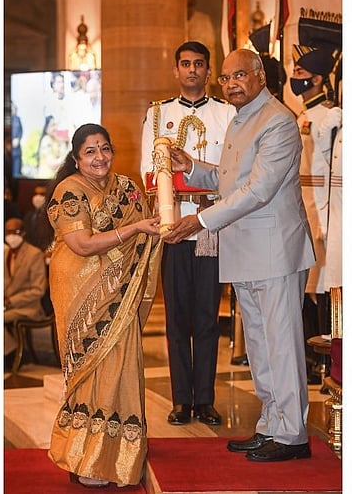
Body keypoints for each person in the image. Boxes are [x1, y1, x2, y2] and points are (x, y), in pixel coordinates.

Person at [163, 48, 316, 462]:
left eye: (239, 76)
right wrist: (192, 166)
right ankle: (271, 425)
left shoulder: (278, 122)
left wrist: (201, 221)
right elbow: (229, 178)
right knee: (261, 345)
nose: (230, 84)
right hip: (245, 250)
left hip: (274, 251)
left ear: (259, 76)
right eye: (226, 78)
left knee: (281, 344)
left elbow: (259, 190)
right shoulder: (241, 120)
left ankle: (293, 435)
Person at [41, 123, 162, 487]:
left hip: (117, 293)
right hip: (80, 291)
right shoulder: (69, 191)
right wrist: (136, 230)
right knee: (89, 369)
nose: (100, 157)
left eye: (105, 148)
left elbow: (151, 218)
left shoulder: (126, 188)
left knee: (121, 364)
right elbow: (81, 244)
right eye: (91, 151)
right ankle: (86, 456)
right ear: (76, 158)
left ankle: (118, 453)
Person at [139, 41, 236, 427]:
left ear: (208, 71)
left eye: (199, 64)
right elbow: (149, 170)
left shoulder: (226, 113)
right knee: (177, 318)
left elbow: (232, 170)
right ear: (176, 70)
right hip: (173, 226)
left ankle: (206, 399)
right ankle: (182, 400)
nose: (192, 70)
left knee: (207, 317)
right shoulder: (158, 113)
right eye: (185, 64)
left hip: (211, 225)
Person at [289, 45, 343, 379]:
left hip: (323, 212)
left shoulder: (329, 116)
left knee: (324, 284)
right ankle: (312, 360)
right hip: (302, 209)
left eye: (301, 75)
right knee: (309, 285)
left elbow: (328, 175)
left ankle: (324, 362)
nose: (296, 80)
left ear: (319, 79)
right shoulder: (301, 115)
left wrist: (324, 221)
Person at [3, 216, 49, 370]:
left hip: (28, 307)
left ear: (22, 233)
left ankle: (12, 355)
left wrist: (11, 301)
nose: (11, 235)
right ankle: (12, 353)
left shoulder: (34, 254)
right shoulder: (5, 253)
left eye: (14, 231)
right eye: (8, 232)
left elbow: (38, 289)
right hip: (7, 306)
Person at [10, 102, 24, 178]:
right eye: (13, 108)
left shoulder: (17, 119)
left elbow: (21, 131)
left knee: (16, 174)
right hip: (10, 150)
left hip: (17, 150)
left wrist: (18, 138)